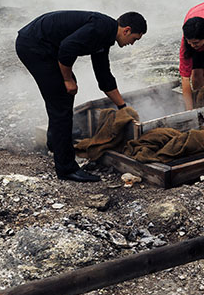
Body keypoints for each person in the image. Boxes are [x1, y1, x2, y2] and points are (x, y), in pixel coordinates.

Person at [15, 10, 146, 182]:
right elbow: (66, 49)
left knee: (63, 94)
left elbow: (104, 76)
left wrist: (123, 107)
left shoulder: (105, 36)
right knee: (61, 96)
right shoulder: (99, 29)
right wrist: (68, 79)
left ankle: (55, 140)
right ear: (126, 30)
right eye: (134, 39)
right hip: (33, 45)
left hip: (42, 44)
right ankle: (66, 169)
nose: (132, 44)